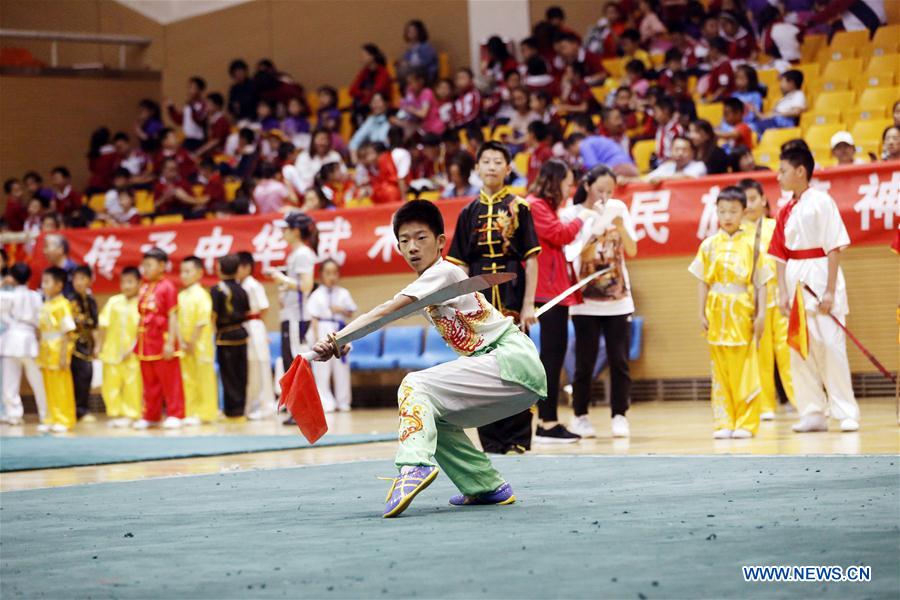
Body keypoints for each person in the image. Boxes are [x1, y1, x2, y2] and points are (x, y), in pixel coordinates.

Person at [308, 200, 546, 517]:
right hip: (507, 372)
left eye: (421, 238)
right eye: (404, 241)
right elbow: (386, 318)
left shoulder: (444, 272)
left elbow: (387, 309)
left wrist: (339, 338)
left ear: (441, 242)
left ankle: (414, 466)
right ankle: (485, 485)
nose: (412, 247)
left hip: (510, 360)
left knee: (414, 385)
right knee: (434, 414)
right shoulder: (427, 287)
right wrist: (346, 342)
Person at [446, 141, 541, 455]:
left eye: (497, 161)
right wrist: (456, 305)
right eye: (485, 161)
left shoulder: (520, 207)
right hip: (478, 298)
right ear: (477, 168)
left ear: (508, 168)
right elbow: (458, 263)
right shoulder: (467, 212)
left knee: (517, 364)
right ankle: (489, 441)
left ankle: (517, 438)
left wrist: (529, 304)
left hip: (512, 291)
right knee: (481, 367)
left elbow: (532, 259)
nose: (490, 166)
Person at [768, 146, 860, 433]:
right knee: (800, 350)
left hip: (820, 278)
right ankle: (812, 412)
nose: (778, 176)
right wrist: (782, 292)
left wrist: (830, 290)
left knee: (831, 347)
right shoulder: (785, 210)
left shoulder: (822, 202)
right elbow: (780, 255)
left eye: (782, 171)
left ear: (800, 171)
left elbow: (833, 246)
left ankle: (845, 411)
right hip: (796, 284)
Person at [563, 166, 638, 439]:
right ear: (586, 185)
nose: (605, 196)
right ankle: (580, 415)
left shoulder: (618, 207)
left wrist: (619, 226)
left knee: (619, 360)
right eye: (599, 190)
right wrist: (592, 226)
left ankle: (620, 415)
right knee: (584, 361)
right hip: (584, 300)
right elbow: (570, 254)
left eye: (609, 191)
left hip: (619, 299)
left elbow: (632, 249)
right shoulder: (573, 214)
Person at [689, 186, 768, 439]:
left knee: (745, 369)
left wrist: (762, 315)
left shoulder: (753, 244)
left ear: (744, 212)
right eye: (722, 211)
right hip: (717, 313)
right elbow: (702, 280)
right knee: (719, 372)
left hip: (742, 312)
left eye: (733, 211)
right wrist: (701, 312)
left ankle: (746, 422)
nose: (727, 216)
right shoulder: (709, 245)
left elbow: (761, 282)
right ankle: (724, 422)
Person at [528, 159, 590, 443]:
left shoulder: (546, 207)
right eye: (567, 182)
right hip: (546, 292)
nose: (569, 188)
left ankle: (548, 420)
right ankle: (547, 423)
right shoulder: (536, 205)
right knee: (551, 359)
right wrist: (583, 215)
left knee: (554, 357)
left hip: (555, 290)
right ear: (555, 181)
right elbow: (560, 234)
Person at [739, 179, 794, 421]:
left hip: (780, 297)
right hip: (754, 301)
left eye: (753, 198)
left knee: (788, 351)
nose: (749, 205)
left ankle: (802, 401)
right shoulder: (737, 233)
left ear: (763, 199)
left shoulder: (777, 225)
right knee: (760, 354)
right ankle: (765, 406)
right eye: (744, 200)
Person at [267, 212, 317, 424]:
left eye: (285, 229)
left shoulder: (303, 254)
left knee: (298, 361)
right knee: (290, 361)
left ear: (296, 231)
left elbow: (306, 285)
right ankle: (296, 407)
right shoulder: (295, 254)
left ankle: (303, 409)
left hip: (298, 316)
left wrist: (281, 279)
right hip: (290, 315)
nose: (283, 233)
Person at [133, 248, 185, 430]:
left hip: (162, 341)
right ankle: (151, 415)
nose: (144, 269)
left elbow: (173, 317)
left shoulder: (168, 287)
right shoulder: (144, 287)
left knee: (170, 381)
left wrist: (171, 342)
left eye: (149, 265)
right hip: (145, 342)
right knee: (149, 383)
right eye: (143, 265)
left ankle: (175, 414)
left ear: (162, 266)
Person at [307, 259, 357, 413]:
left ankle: (343, 401)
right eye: (327, 273)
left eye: (334, 273)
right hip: (323, 329)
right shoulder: (316, 294)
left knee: (341, 367)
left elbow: (350, 311)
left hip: (339, 329)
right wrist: (316, 338)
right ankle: (325, 401)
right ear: (321, 275)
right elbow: (314, 318)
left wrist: (340, 309)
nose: (331, 277)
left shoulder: (343, 293)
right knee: (322, 369)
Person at [0, 263, 47, 427]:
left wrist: (3, 283)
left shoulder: (7, 296)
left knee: (10, 381)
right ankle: (45, 414)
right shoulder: (36, 296)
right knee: (37, 380)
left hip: (12, 337)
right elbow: (41, 320)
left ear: (11, 277)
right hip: (29, 338)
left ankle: (14, 414)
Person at [97, 266, 143, 428]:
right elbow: (103, 324)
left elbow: (143, 330)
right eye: (124, 282)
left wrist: (132, 348)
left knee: (132, 383)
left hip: (133, 353)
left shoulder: (142, 303)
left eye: (130, 282)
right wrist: (98, 346)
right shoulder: (113, 302)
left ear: (139, 283)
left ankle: (132, 414)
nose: (126, 286)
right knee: (110, 384)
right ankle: (115, 413)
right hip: (112, 351)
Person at [177, 256, 217, 426]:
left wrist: (192, 341)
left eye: (188, 271)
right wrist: (181, 341)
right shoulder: (180, 295)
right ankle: (190, 411)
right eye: (182, 272)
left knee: (204, 378)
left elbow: (202, 321)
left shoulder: (202, 295)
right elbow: (176, 321)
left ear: (200, 273)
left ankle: (205, 413)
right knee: (188, 379)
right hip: (184, 346)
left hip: (200, 345)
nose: (184, 275)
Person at [38, 266, 77, 433]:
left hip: (58, 350)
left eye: (47, 282)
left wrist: (64, 355)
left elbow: (68, 332)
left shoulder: (63, 305)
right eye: (43, 281)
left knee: (61, 386)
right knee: (49, 386)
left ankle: (64, 419)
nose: (43, 285)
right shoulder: (46, 304)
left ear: (59, 285)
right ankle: (51, 417)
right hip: (45, 351)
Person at [211, 254, 250, 419]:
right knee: (241, 373)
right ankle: (240, 409)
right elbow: (247, 312)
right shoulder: (242, 289)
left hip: (225, 336)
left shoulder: (217, 289)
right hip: (241, 334)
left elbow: (213, 315)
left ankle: (231, 411)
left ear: (220, 269)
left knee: (228, 374)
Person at [236, 252, 275, 420]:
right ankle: (250, 405)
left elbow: (264, 308)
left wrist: (263, 329)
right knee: (248, 367)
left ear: (246, 267)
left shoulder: (253, 285)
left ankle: (263, 406)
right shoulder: (239, 284)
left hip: (255, 325)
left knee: (259, 365)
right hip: (245, 325)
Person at [67, 265, 98, 421]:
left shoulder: (91, 301)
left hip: (87, 346)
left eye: (82, 278)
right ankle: (73, 410)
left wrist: (97, 345)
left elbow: (94, 326)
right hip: (71, 345)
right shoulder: (69, 300)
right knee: (73, 378)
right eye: (75, 278)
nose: (78, 282)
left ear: (89, 280)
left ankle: (83, 409)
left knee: (86, 376)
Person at [349, 44, 392, 126]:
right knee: (356, 108)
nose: (361, 58)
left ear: (372, 57)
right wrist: (363, 93)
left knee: (359, 109)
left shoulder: (383, 72)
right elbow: (352, 90)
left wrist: (365, 100)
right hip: (365, 104)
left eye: (364, 55)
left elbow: (378, 91)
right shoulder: (365, 72)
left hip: (380, 104)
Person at [753, 70, 806, 135]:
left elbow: (796, 111)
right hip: (774, 121)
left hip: (785, 122)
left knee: (755, 127)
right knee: (755, 126)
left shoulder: (798, 94)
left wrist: (778, 114)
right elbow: (769, 115)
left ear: (791, 83)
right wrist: (756, 111)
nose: (780, 85)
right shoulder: (783, 99)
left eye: (782, 81)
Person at [564, 133, 639, 178]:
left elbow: (594, 167)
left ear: (573, 145)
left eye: (570, 151)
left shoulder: (584, 145)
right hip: (628, 165)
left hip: (617, 167)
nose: (572, 154)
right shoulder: (594, 140)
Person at [167, 76, 208, 152]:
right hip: (187, 138)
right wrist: (171, 109)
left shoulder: (203, 105)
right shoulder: (188, 106)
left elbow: (199, 120)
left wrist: (192, 107)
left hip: (197, 140)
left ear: (200, 90)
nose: (190, 91)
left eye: (193, 88)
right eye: (189, 88)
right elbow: (180, 120)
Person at [349, 92, 391, 157]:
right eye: (373, 102)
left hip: (390, 154)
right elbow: (354, 142)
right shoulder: (370, 120)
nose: (375, 105)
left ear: (386, 103)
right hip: (374, 156)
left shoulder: (395, 116)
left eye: (378, 101)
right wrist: (355, 159)